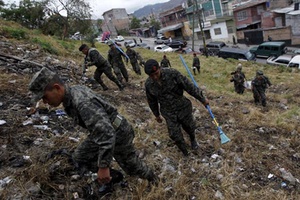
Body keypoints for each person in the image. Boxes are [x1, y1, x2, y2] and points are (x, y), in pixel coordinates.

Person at [28, 67, 157, 194]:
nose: (45, 102)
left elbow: (107, 133)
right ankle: (113, 177)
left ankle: (155, 180)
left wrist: (103, 166)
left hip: (118, 132)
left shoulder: (82, 102)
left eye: (45, 97)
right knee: (80, 156)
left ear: (57, 88)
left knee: (132, 166)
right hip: (103, 132)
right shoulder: (71, 95)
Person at [144, 59, 209, 156]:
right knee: (174, 135)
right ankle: (185, 152)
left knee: (189, 127)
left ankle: (193, 139)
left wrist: (202, 99)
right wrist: (156, 115)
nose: (155, 77)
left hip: (183, 108)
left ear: (159, 68)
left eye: (156, 73)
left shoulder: (172, 74)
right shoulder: (149, 84)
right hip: (168, 113)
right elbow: (152, 101)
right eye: (151, 76)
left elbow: (189, 86)